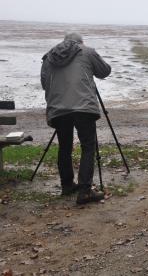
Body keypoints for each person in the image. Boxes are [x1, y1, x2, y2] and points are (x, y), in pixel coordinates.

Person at [41, 33, 111, 204]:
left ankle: (67, 185)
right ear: (81, 42)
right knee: (88, 146)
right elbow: (104, 71)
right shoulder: (86, 51)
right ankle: (85, 191)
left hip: (58, 108)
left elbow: (44, 83)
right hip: (83, 106)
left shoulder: (49, 56)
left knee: (64, 147)